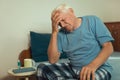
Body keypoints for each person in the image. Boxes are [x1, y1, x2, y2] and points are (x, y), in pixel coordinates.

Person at [37, 4, 114, 80]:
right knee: (42, 68)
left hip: (97, 68)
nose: (62, 25)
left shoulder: (92, 20)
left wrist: (92, 65)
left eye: (63, 20)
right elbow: (52, 60)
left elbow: (108, 47)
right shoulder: (60, 33)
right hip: (74, 69)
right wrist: (54, 32)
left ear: (71, 11)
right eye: (59, 23)